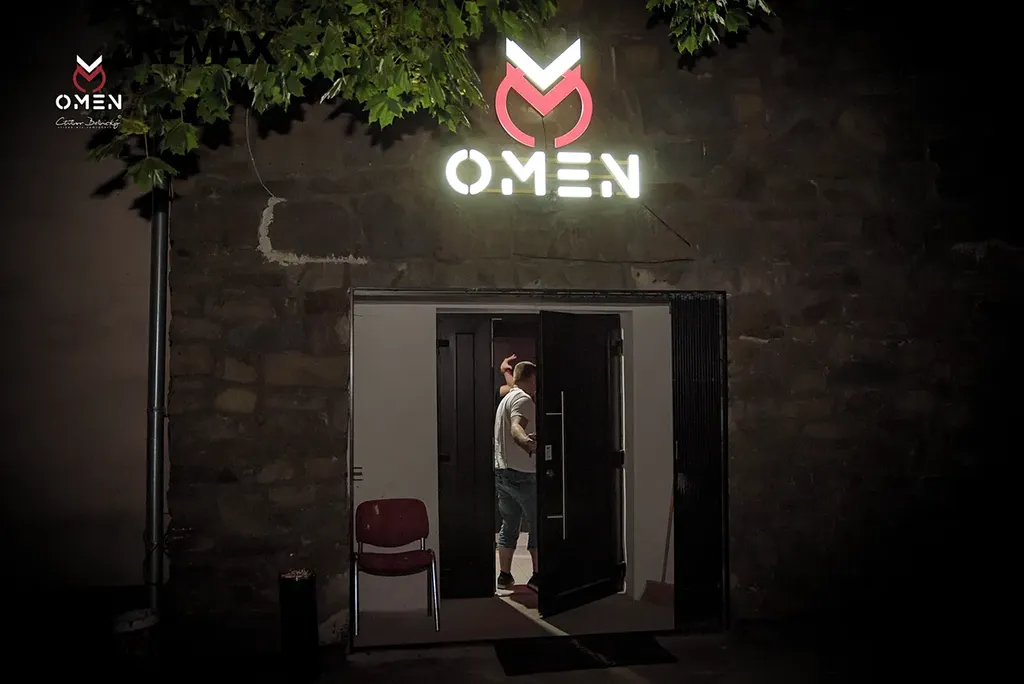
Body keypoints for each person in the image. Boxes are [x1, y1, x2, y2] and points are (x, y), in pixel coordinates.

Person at [494, 358, 539, 591]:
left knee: (509, 524)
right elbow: (515, 427)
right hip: (523, 473)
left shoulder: (507, 398)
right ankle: (538, 577)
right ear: (532, 378)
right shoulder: (524, 399)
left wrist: (505, 371)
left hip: (502, 472)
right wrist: (528, 443)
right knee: (538, 522)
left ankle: (504, 576)